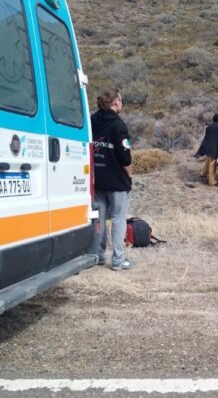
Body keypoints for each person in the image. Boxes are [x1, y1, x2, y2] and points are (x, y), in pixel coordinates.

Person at [92, 89, 133, 270]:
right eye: (121, 100)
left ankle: (98, 255)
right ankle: (118, 259)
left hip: (97, 179)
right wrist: (129, 174)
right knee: (118, 219)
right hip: (117, 181)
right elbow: (125, 157)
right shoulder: (119, 125)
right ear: (115, 102)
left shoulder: (92, 121)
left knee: (99, 218)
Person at [195, 113, 218, 186]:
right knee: (212, 163)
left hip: (207, 146)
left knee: (209, 159)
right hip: (215, 147)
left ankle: (203, 173)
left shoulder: (209, 126)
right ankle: (212, 181)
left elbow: (206, 137)